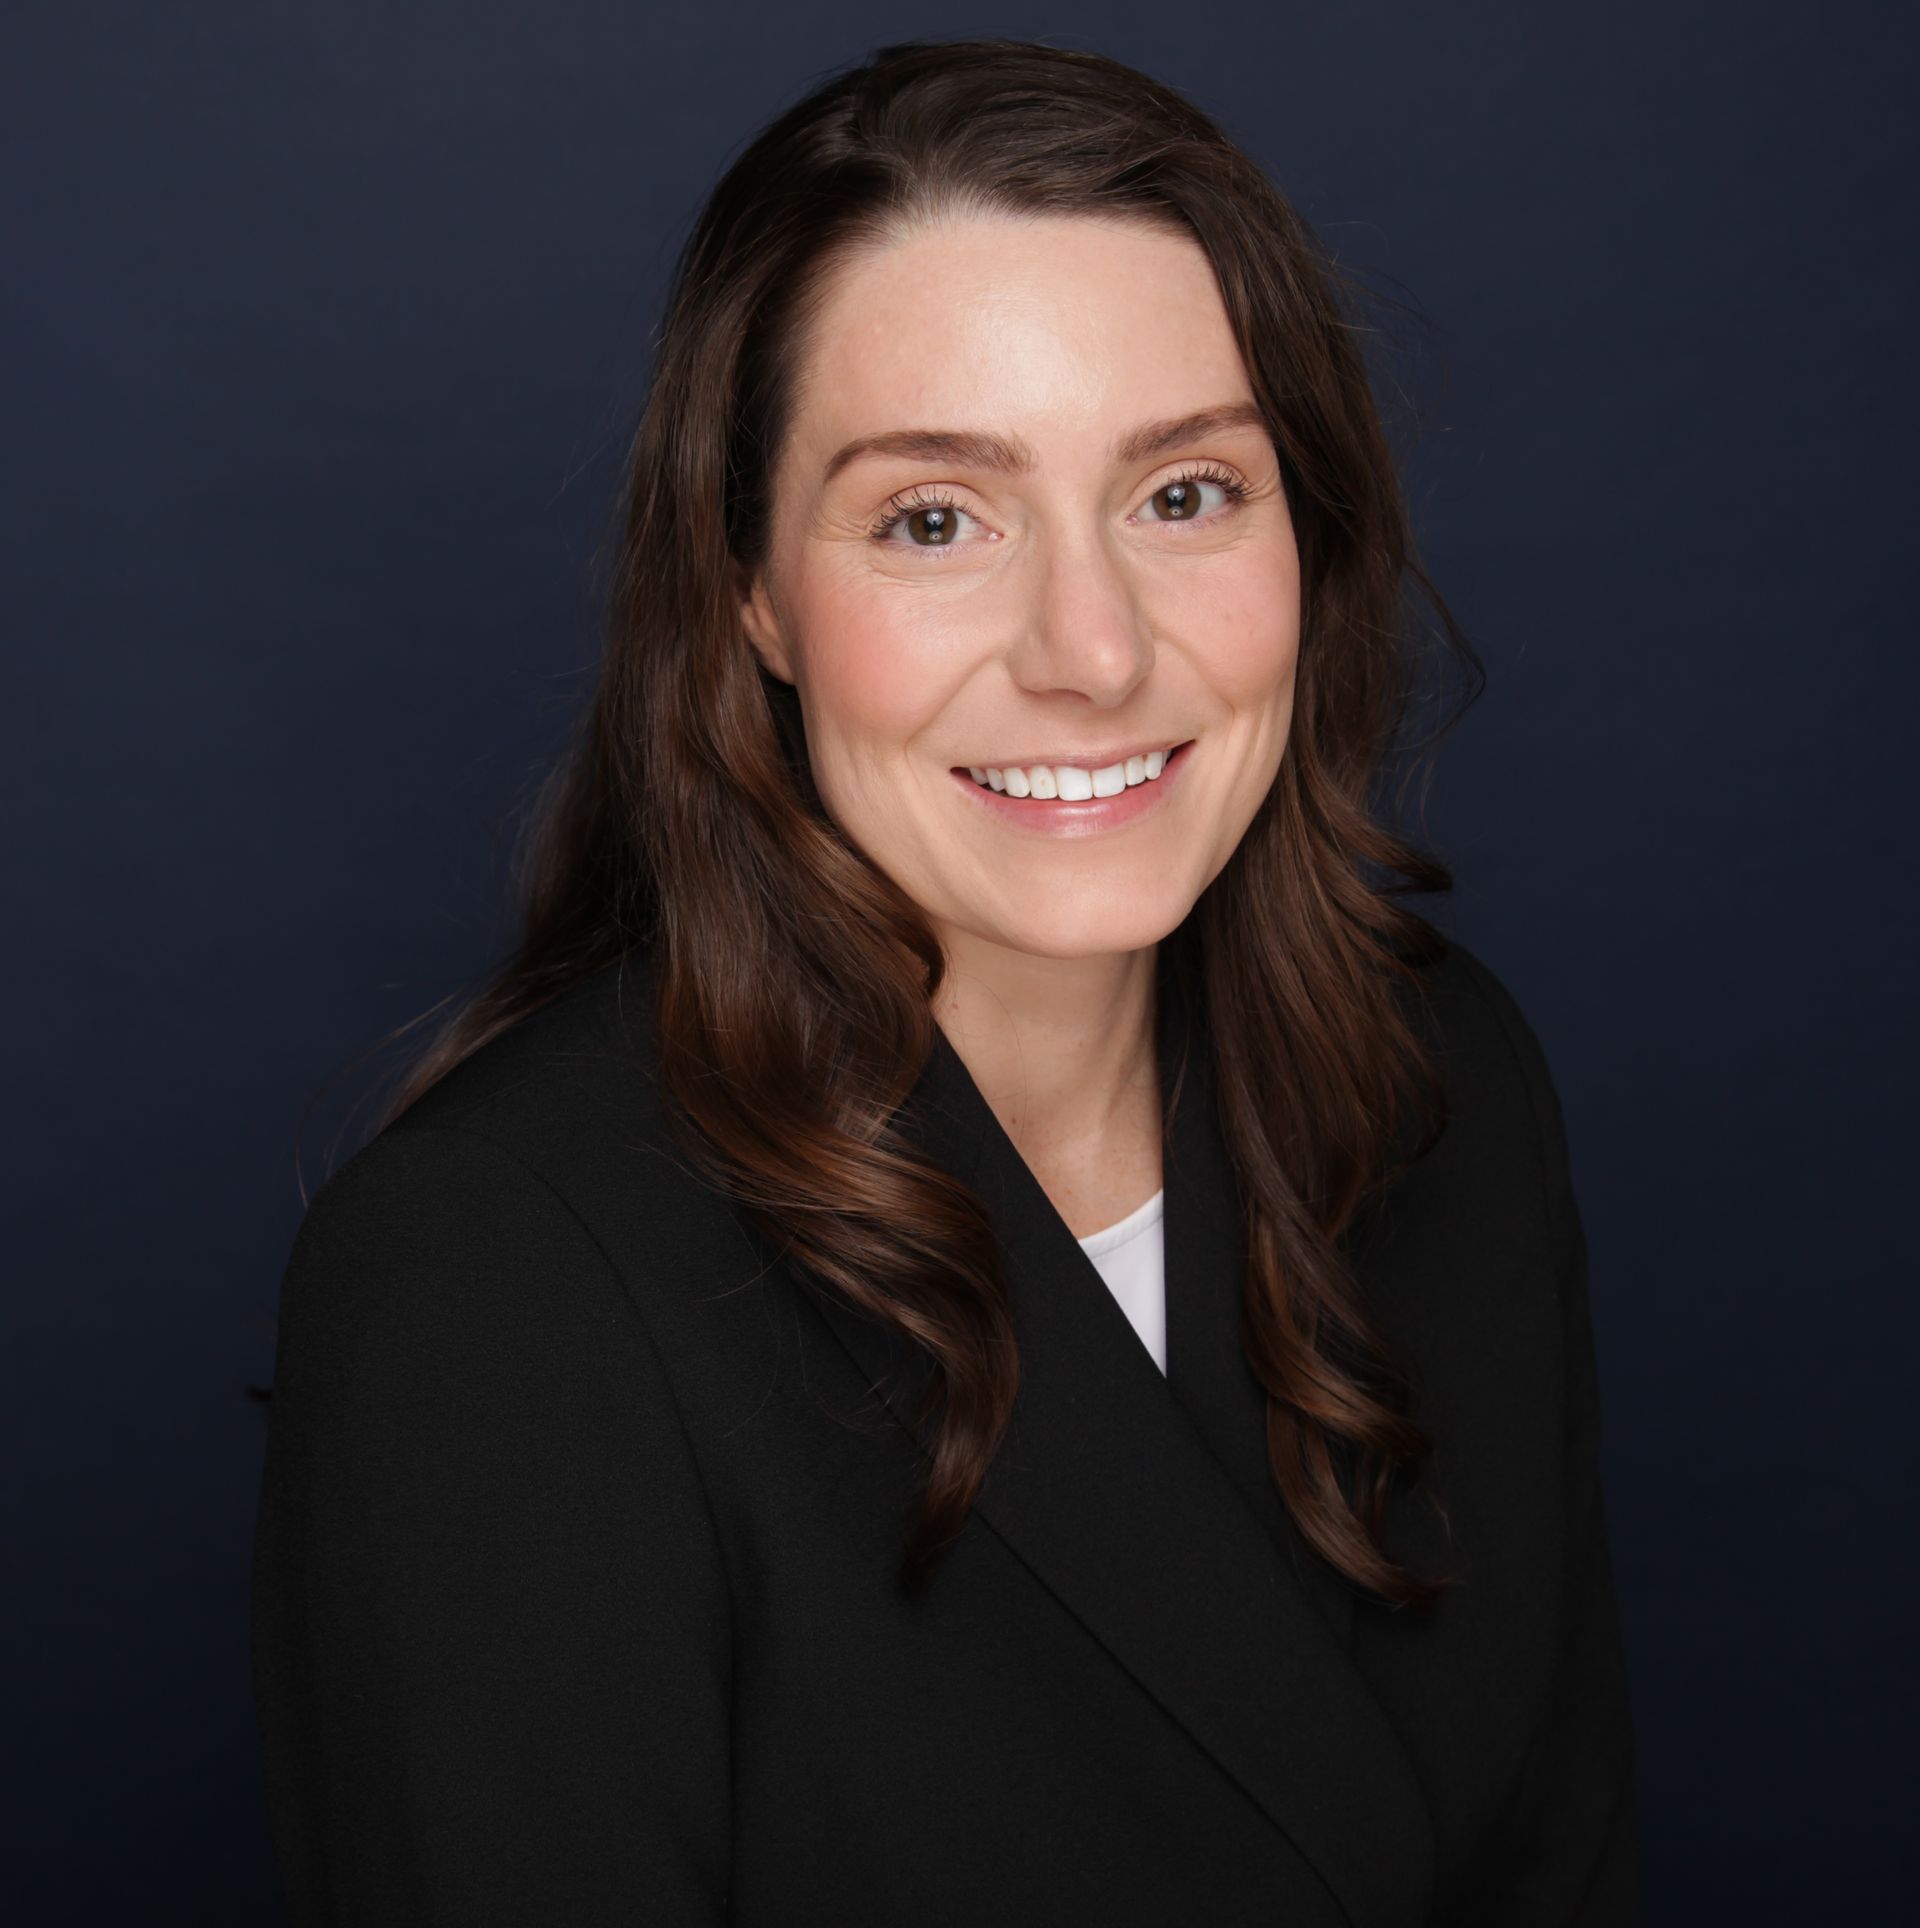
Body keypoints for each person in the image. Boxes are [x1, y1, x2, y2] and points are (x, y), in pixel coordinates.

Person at [250, 36, 1641, 1926]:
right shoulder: (492, 1292)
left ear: (1309, 533)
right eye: (935, 518)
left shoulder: (1440, 1083)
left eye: (1184, 494)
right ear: (750, 593)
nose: (1092, 650)